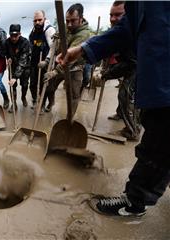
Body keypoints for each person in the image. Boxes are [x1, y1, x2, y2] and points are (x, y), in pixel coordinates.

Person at [57, 1, 170, 217]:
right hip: (155, 75)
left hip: (161, 77)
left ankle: (136, 201)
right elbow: (126, 29)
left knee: (158, 141)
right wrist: (83, 50)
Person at [101, 1, 140, 141]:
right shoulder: (116, 33)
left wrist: (109, 74)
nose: (113, 19)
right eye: (111, 15)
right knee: (123, 92)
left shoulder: (132, 32)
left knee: (126, 94)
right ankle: (121, 114)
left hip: (140, 67)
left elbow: (130, 64)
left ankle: (132, 130)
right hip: (130, 65)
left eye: (118, 15)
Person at [43, 3, 91, 116]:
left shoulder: (84, 34)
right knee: (49, 87)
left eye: (73, 21)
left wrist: (55, 71)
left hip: (75, 67)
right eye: (67, 20)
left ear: (81, 18)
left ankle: (69, 119)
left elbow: (71, 58)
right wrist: (57, 35)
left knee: (73, 96)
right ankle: (51, 103)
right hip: (61, 63)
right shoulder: (67, 25)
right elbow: (62, 30)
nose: (69, 24)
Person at [29, 10, 56, 111]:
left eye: (39, 20)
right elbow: (31, 46)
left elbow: (54, 48)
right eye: (35, 20)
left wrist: (47, 61)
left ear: (44, 19)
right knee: (33, 85)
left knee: (47, 86)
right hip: (35, 63)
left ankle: (48, 103)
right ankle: (37, 102)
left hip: (47, 64)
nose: (37, 22)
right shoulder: (33, 32)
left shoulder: (50, 30)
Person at [4, 24, 31, 112]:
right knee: (12, 86)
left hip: (25, 67)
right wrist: (8, 58)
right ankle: (14, 104)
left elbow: (23, 61)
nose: (14, 38)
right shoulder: (7, 42)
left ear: (20, 34)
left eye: (16, 35)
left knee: (25, 85)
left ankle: (23, 97)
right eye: (12, 35)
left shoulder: (25, 42)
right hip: (13, 66)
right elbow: (4, 52)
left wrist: (15, 77)